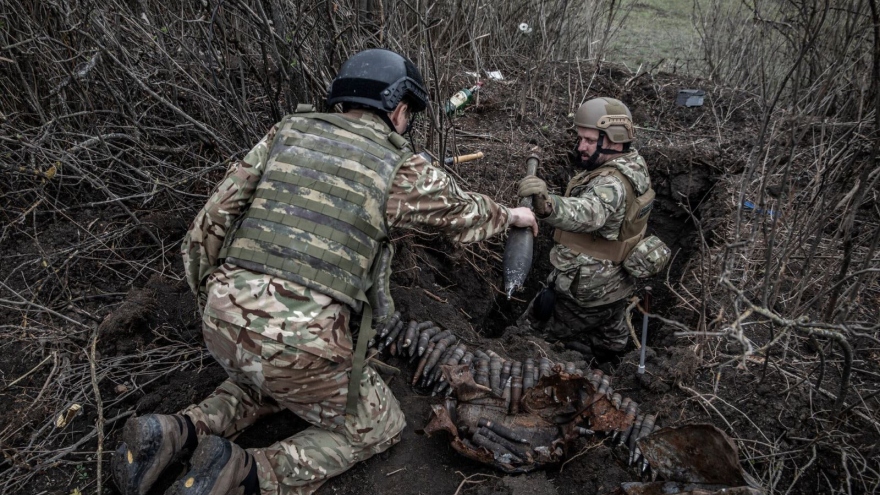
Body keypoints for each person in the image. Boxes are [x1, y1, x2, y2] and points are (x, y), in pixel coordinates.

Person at [111, 48, 537, 495]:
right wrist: (511, 216)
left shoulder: (287, 132)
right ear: (398, 109)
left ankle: (175, 431)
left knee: (268, 378)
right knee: (379, 423)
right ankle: (244, 472)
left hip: (222, 321)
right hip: (301, 346)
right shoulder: (400, 167)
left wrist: (214, 300)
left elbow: (208, 224)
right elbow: (464, 213)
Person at [518, 97, 668, 361]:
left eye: (588, 140)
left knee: (528, 332)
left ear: (614, 138)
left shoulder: (611, 183)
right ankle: (609, 354)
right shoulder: (633, 163)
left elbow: (590, 213)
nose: (581, 147)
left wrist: (547, 205)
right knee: (609, 331)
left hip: (586, 290)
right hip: (616, 283)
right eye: (581, 139)